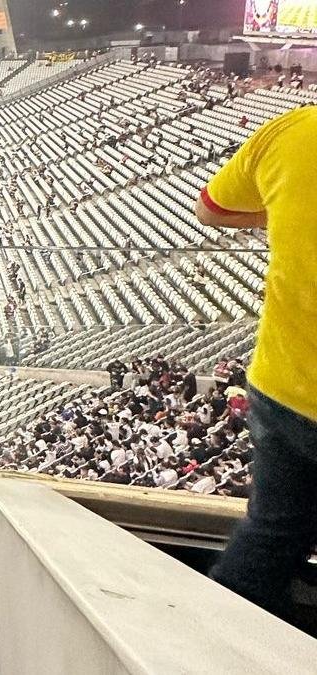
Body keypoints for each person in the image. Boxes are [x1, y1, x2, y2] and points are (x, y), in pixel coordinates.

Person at [196, 106, 317, 621]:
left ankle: (216, 643)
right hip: (281, 387)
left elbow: (210, 210)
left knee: (267, 537)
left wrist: (286, 213)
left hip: (280, 387)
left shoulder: (292, 131)